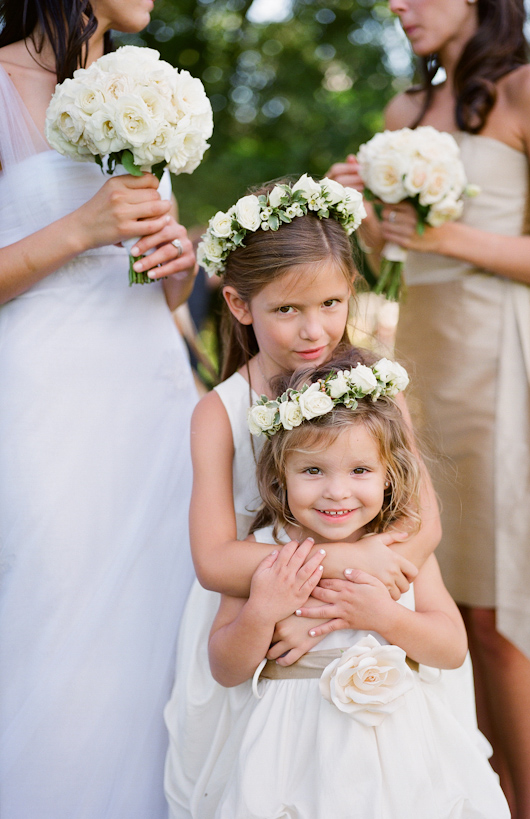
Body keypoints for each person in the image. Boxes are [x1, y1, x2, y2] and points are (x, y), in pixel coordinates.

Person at [327, 1, 530, 817]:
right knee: (435, 597)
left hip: (502, 361)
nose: (398, 7)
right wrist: (362, 218)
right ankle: (473, 798)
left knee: (497, 611)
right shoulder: (402, 112)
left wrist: (449, 239)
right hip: (422, 364)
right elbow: (379, 258)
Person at [164, 176, 465, 817]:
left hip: (382, 610)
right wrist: (332, 576)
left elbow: (424, 519)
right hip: (264, 617)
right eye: (287, 310)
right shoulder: (221, 412)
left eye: (331, 303)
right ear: (241, 306)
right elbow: (216, 560)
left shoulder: (380, 388)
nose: (314, 330)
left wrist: (371, 601)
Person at [0, 2, 199, 817]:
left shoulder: (140, 88)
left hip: (151, 388)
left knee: (168, 611)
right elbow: (85, 233)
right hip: (46, 395)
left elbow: (162, 284)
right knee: (60, 608)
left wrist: (177, 260)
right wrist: (81, 228)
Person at [205, 352, 510, 818]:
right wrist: (262, 610)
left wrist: (384, 617)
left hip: (399, 753)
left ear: (389, 475)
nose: (337, 491)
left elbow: (450, 649)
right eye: (312, 471)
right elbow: (224, 669)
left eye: (360, 471)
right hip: (292, 753)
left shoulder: (398, 553)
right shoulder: (266, 553)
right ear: (278, 476)